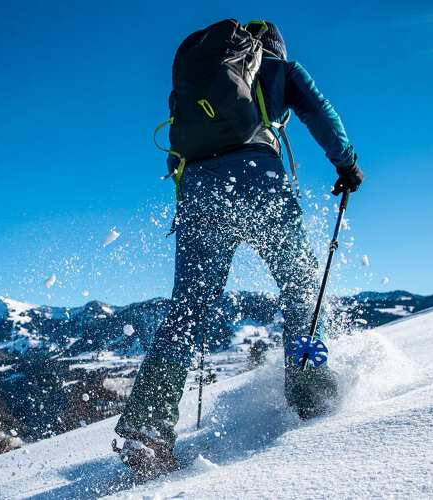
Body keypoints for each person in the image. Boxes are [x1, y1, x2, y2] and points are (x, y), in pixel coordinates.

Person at [113, 20, 364, 477]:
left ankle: (148, 434)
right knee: (299, 286)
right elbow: (319, 111)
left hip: (198, 191)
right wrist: (346, 163)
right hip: (258, 182)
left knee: (188, 307)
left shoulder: (203, 80)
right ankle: (311, 395)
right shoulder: (280, 68)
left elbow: (177, 150)